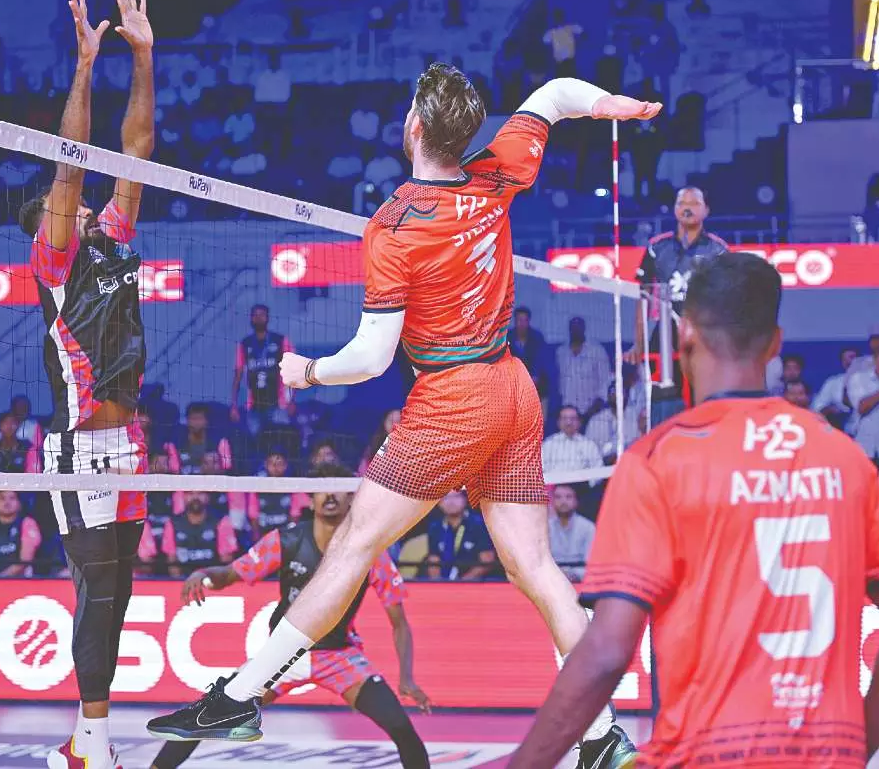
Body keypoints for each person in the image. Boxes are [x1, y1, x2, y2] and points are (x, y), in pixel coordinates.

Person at [149, 65, 656, 766]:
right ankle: (601, 736)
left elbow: (370, 357)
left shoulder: (393, 225)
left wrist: (307, 372)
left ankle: (237, 698)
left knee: (352, 545)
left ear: (413, 126)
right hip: (513, 389)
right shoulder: (497, 171)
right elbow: (553, 96)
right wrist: (611, 106)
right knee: (536, 568)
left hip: (453, 401)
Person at [508, 252, 879, 768]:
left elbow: (605, 653)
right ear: (775, 343)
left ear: (685, 333)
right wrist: (854, 747)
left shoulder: (659, 460)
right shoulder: (842, 456)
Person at [16, 0, 155, 769]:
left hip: (129, 446)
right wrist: (85, 64)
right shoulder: (55, 258)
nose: (71, 205)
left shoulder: (114, 236)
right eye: (59, 205)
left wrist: (144, 57)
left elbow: (135, 150)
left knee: (120, 591)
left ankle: (82, 736)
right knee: (96, 589)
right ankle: (95, 745)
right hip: (81, 451)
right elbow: (72, 160)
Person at [148, 464, 431, 769]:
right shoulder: (286, 540)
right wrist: (203, 573)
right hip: (285, 656)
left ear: (352, 497)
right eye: (322, 489)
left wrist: (407, 677)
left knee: (400, 726)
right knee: (210, 712)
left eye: (337, 488)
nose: (330, 496)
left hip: (339, 656)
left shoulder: (368, 550)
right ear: (310, 498)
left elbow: (399, 622)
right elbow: (230, 574)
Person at [625, 186, 730, 425]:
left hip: (704, 337)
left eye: (694, 203)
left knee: (705, 402)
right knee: (663, 406)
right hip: (665, 338)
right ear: (674, 210)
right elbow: (643, 298)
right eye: (682, 203)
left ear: (706, 210)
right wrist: (639, 344)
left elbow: (728, 299)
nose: (687, 208)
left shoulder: (718, 250)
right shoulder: (656, 248)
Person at [230, 304, 293, 437]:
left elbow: (292, 372)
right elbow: (238, 375)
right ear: (251, 318)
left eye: (262, 315)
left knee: (280, 439)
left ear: (268, 318)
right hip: (254, 406)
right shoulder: (244, 344)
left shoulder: (280, 340)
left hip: (278, 404)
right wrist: (234, 405)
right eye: (255, 315)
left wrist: (291, 401)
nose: (258, 318)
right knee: (256, 441)